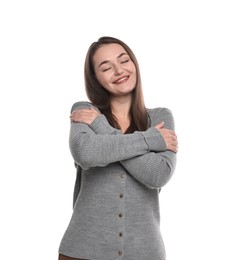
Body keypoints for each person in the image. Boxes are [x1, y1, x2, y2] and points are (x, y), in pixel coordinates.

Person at [58, 36, 178, 260]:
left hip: (145, 253)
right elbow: (85, 153)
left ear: (134, 64)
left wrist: (100, 127)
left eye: (124, 60)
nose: (118, 70)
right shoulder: (84, 111)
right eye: (106, 67)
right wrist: (151, 139)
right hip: (82, 251)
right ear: (95, 79)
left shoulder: (160, 117)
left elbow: (157, 174)